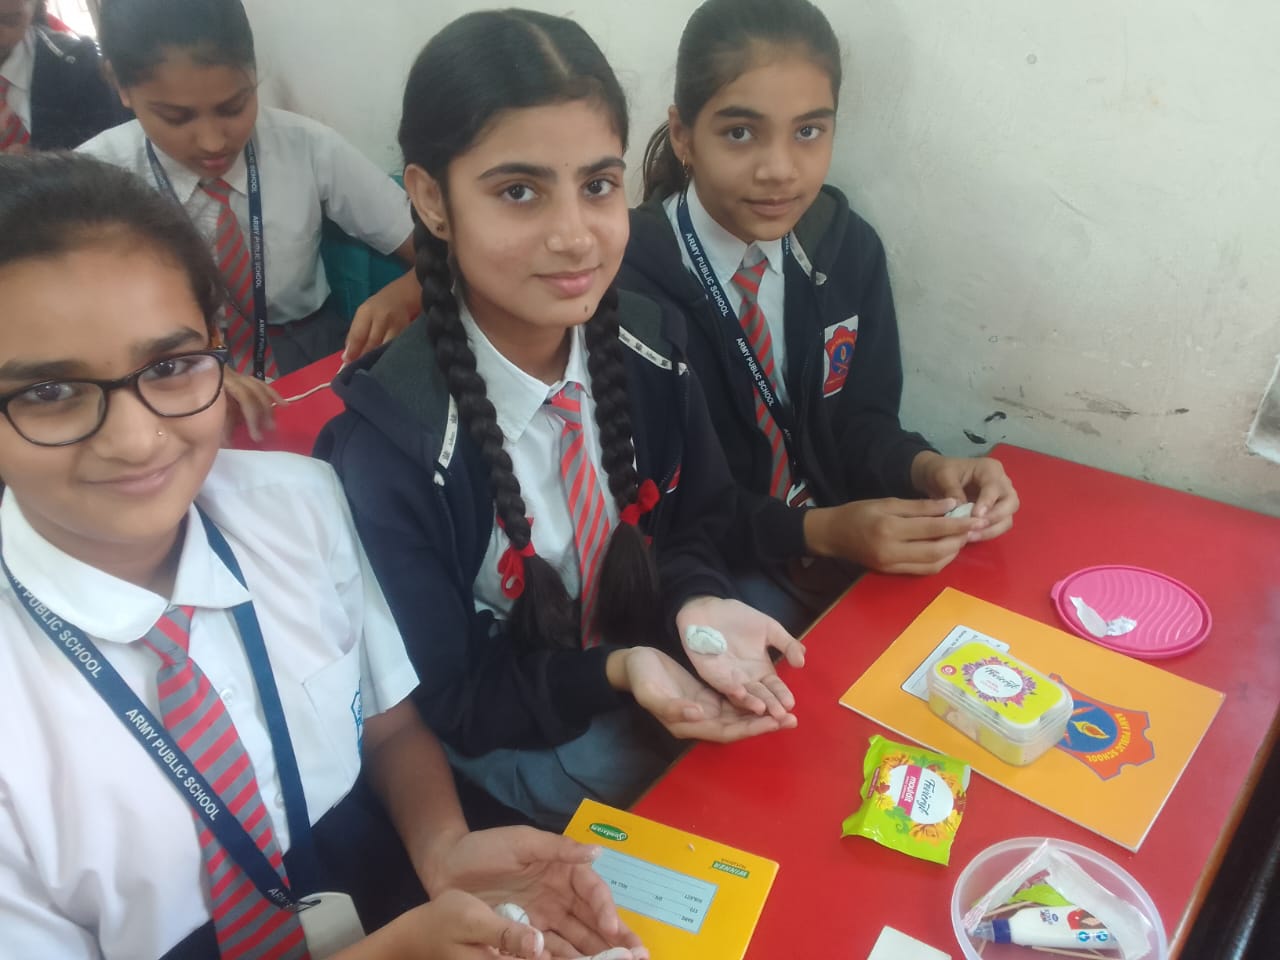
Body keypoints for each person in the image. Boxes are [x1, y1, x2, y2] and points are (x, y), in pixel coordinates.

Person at [0, 152, 645, 960]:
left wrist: (443, 850)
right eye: (50, 393)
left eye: (169, 367)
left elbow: (389, 725)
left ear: (219, 350)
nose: (136, 439)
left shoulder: (299, 506)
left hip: (381, 894)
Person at [318, 9, 805, 831]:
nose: (576, 237)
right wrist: (618, 673)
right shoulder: (390, 449)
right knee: (662, 773)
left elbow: (698, 524)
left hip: (636, 656)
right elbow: (455, 699)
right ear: (432, 200)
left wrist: (694, 608)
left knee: (777, 648)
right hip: (516, 722)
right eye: (519, 192)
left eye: (598, 185)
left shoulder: (651, 345)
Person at [620, 0, 1020, 633]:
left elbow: (859, 423)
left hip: (837, 546)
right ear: (682, 135)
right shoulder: (626, 288)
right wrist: (821, 531)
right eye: (740, 132)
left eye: (808, 131)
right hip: (707, 580)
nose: (780, 170)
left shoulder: (845, 248)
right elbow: (662, 513)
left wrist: (927, 469)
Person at [79, 0, 421, 437]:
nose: (212, 141)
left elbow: (440, 249)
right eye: (176, 117)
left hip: (307, 350)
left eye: (233, 106)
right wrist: (176, 363)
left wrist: (408, 291)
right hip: (158, 367)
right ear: (120, 86)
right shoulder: (95, 180)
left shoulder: (305, 147)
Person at [0, 0, 127, 153]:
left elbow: (112, 140)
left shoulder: (78, 62)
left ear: (34, 8)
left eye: (10, 21)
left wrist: (45, 158)